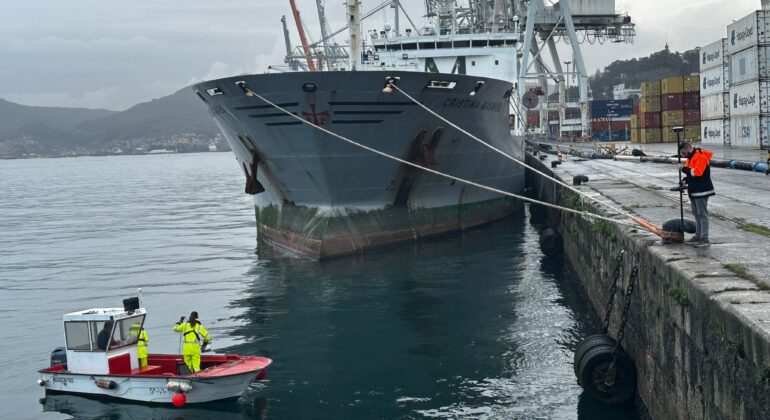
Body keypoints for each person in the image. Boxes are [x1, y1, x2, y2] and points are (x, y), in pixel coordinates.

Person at [678, 142, 715, 246]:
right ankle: (698, 235)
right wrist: (685, 180)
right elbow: (691, 174)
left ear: (689, 149)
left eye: (684, 153)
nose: (683, 156)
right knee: (696, 214)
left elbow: (697, 172)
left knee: (702, 214)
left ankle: (704, 238)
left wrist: (683, 168)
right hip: (694, 190)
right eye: (681, 154)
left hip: (702, 190)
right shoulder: (691, 157)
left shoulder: (700, 156)